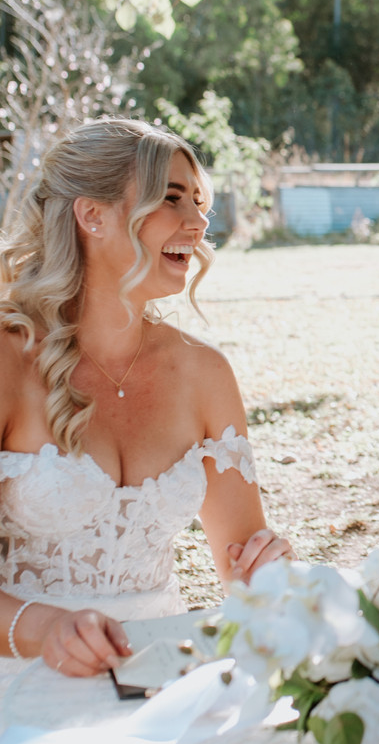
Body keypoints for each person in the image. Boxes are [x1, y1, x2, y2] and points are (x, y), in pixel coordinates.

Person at [0, 118, 291, 682]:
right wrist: (45, 629)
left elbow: (244, 571)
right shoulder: (9, 361)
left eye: (200, 203)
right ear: (92, 216)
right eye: (171, 199)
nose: (199, 222)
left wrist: (267, 571)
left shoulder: (204, 372)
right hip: (19, 685)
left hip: (159, 679)